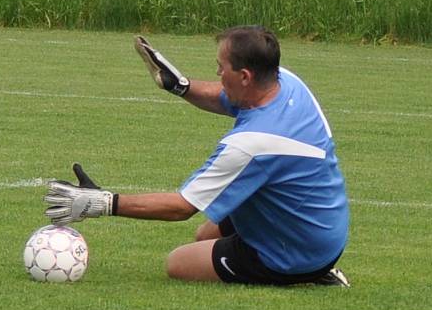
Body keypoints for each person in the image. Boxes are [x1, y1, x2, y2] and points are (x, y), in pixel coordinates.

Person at [44, 26, 350, 287]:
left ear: (245, 76)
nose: (217, 73)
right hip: (322, 222)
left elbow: (182, 206)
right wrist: (181, 87)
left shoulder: (254, 143)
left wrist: (104, 202)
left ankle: (310, 273)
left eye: (221, 67)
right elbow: (225, 97)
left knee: (179, 263)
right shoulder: (286, 82)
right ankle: (315, 261)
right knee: (205, 235)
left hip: (295, 249)